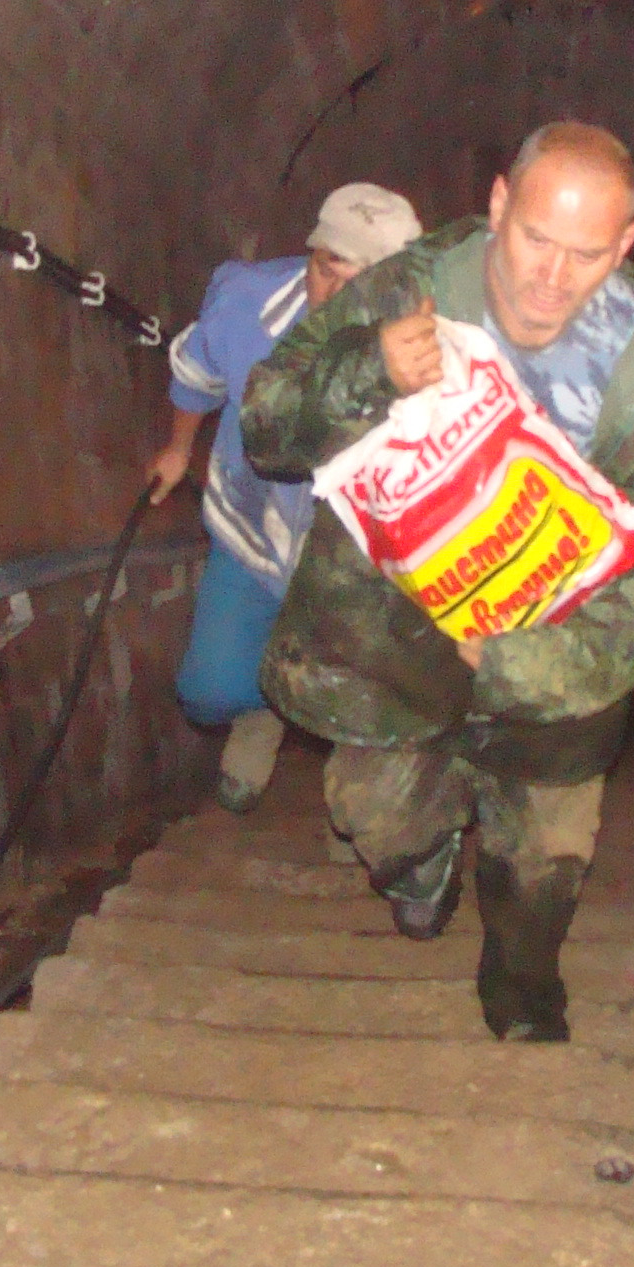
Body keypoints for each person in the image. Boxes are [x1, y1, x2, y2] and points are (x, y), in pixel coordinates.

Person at [240, 123, 634, 1042]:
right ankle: (425, 864)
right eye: (535, 238)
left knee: (545, 857)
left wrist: (511, 661)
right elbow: (265, 425)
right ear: (497, 205)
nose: (551, 278)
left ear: (626, 245)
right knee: (371, 812)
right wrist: (367, 371)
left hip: (552, 661)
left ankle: (521, 986)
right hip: (395, 636)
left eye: (587, 254)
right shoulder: (411, 287)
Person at [154, 182, 424, 811]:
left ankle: (358, 803)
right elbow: (196, 374)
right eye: (327, 269)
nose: (334, 295)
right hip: (252, 530)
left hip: (355, 563)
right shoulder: (245, 304)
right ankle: (267, 707)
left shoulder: (430, 346)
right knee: (207, 693)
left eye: (360, 282)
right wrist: (177, 450)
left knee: (363, 697)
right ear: (310, 251)